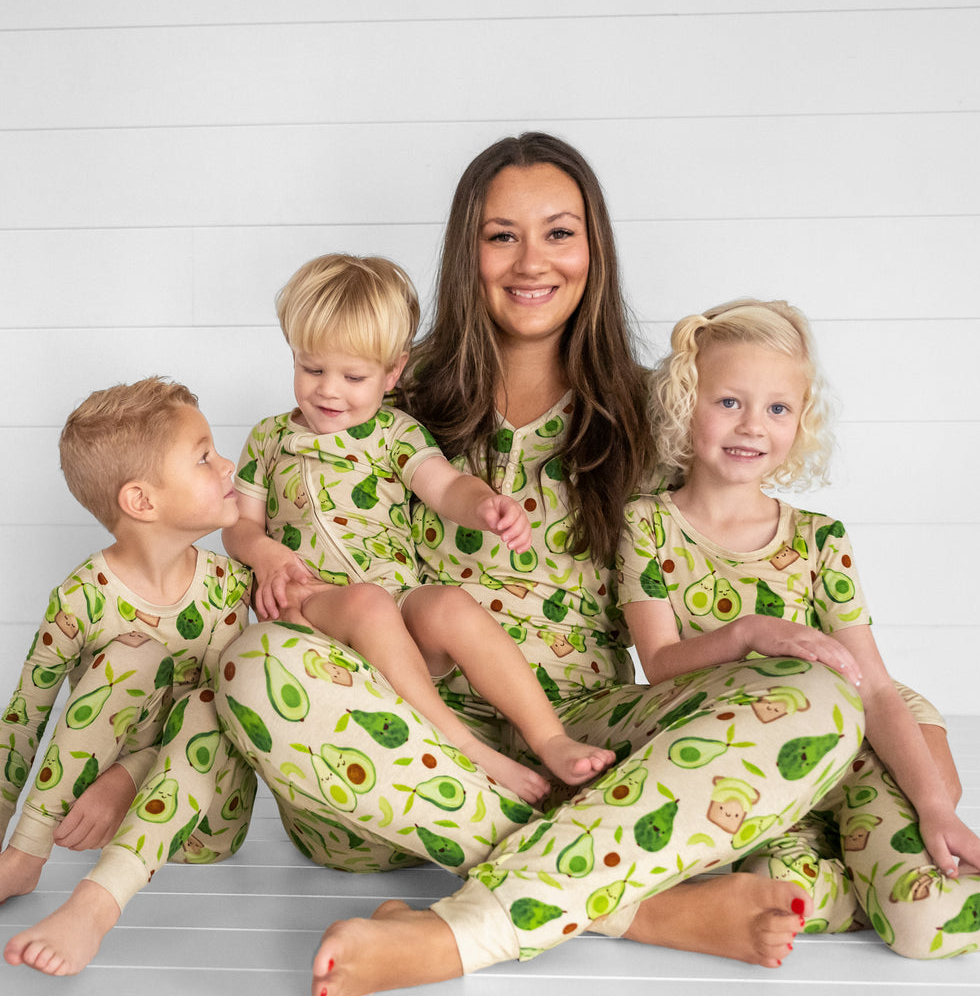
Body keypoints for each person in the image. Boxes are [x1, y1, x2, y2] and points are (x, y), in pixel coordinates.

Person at [0, 133, 862, 983]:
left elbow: (741, 586)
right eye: (501, 235)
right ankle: (629, 899)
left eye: (559, 232)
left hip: (587, 741)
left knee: (820, 700)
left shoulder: (652, 409)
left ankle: (461, 929)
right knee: (255, 661)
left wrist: (888, 722)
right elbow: (240, 552)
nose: (532, 260)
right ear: (467, 251)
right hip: (386, 755)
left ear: (593, 247)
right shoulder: (383, 391)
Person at [616, 298, 980, 959]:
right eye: (729, 402)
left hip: (859, 747)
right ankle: (847, 873)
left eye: (777, 408)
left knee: (934, 921)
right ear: (687, 403)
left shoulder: (822, 539)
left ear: (800, 422)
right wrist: (747, 632)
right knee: (771, 887)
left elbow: (877, 692)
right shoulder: (647, 525)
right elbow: (660, 663)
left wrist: (936, 810)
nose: (752, 426)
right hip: (759, 762)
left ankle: (882, 866)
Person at [222, 252, 615, 799]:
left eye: (353, 376)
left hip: (398, 605)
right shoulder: (269, 439)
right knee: (366, 603)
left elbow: (446, 486)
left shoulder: (394, 434)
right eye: (311, 369)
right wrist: (264, 555)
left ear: (393, 373)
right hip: (319, 609)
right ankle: (468, 750)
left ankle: (550, 737)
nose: (328, 391)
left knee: (448, 603)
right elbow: (239, 527)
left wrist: (485, 505)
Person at [0, 377, 254, 925]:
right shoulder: (80, 597)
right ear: (141, 500)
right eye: (204, 457)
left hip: (204, 824)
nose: (228, 465)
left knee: (220, 691)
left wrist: (126, 779)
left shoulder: (229, 585)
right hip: (94, 826)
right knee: (130, 655)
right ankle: (24, 855)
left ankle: (63, 870)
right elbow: (23, 719)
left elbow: (214, 716)